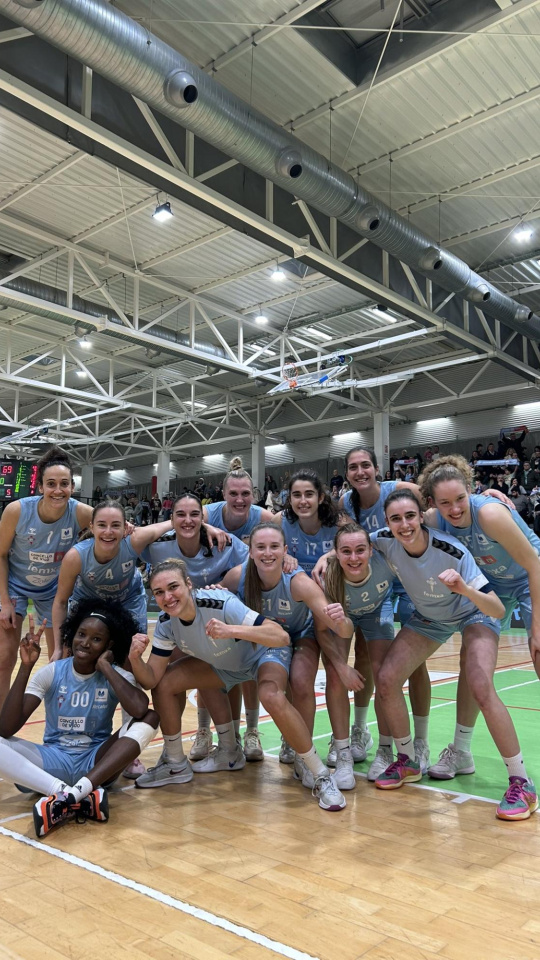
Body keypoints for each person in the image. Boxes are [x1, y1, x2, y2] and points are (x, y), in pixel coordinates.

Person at [130, 559, 347, 811]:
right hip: (226, 666)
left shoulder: (220, 602)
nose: (167, 597)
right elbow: (151, 679)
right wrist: (135, 659)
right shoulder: (167, 625)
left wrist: (231, 630)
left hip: (263, 654)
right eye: (159, 592)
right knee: (166, 683)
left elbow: (280, 636)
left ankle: (321, 775)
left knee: (271, 695)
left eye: (173, 587)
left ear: (189, 584)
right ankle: (176, 763)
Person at [372, 490, 537, 821]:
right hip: (431, 618)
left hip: (473, 611)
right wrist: (325, 559)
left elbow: (496, 607)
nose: (404, 525)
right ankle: (408, 761)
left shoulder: (452, 550)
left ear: (422, 516)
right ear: (387, 524)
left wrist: (464, 588)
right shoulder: (382, 540)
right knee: (387, 678)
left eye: (409, 517)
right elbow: (349, 544)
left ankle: (522, 782)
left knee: (480, 684)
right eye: (395, 519)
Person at [418, 457, 540, 796]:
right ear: (433, 502)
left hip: (530, 579)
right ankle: (461, 750)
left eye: (459, 499)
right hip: (490, 587)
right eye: (444, 502)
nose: (454, 508)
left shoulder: (489, 513)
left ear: (470, 490)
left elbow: (534, 564)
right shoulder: (432, 517)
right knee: (473, 666)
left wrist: (537, 628)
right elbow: (404, 497)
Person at [312, 447, 431, 773]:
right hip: (364, 576)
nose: (360, 471)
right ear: (347, 473)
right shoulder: (346, 503)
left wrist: (481, 496)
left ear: (377, 469)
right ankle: (358, 732)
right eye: (354, 467)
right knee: (358, 660)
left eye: (366, 465)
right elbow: (346, 538)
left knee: (407, 666)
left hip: (404, 582)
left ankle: (416, 742)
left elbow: (438, 498)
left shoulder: (398, 491)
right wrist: (329, 556)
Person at [221, 523, 362, 791]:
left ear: (285, 551)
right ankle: (280, 739)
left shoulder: (298, 582)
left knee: (299, 680)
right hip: (269, 640)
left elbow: (340, 628)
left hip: (301, 634)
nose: (267, 553)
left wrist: (342, 621)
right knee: (268, 681)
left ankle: (301, 752)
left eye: (274, 547)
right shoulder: (237, 576)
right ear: (250, 552)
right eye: (260, 547)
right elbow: (217, 597)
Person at [0, 599, 159, 837]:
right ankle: (71, 794)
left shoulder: (117, 674)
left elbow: (140, 708)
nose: (85, 642)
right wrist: (25, 667)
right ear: (72, 635)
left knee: (150, 717)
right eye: (81, 634)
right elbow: (6, 727)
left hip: (96, 763)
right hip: (53, 761)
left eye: (96, 639)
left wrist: (106, 667)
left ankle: (71, 795)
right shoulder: (52, 672)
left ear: (109, 644)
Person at [143, 492, 249, 760]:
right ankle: (178, 746)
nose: (187, 521)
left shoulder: (223, 542)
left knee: (211, 673)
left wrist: (228, 582)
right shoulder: (158, 545)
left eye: (195, 515)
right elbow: (132, 537)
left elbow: (257, 559)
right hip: (179, 625)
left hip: (218, 625)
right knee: (170, 679)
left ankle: (231, 741)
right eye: (180, 515)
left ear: (204, 518)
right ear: (171, 518)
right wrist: (178, 524)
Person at [0, 446, 94, 703]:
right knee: (5, 656)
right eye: (50, 484)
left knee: (60, 659)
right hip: (16, 586)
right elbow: (0, 554)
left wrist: (201, 525)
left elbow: (123, 528)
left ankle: (57, 728)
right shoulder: (16, 511)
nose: (58, 490)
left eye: (64, 484)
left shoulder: (81, 512)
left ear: (72, 486)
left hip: (54, 592)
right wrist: (5, 602)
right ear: (40, 487)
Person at [324, 523, 402, 781]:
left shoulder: (387, 562)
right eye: (346, 551)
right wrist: (341, 666)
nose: (354, 558)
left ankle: (385, 749)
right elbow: (321, 631)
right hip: (342, 617)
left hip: (377, 611)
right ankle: (343, 753)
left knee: (384, 677)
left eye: (360, 550)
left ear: (371, 550)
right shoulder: (327, 576)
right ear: (335, 553)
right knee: (335, 676)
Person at [203, 458, 275, 544]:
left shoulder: (265, 519)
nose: (240, 500)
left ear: (252, 494)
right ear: (224, 494)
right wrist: (203, 527)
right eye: (233, 493)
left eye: (245, 493)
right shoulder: (207, 514)